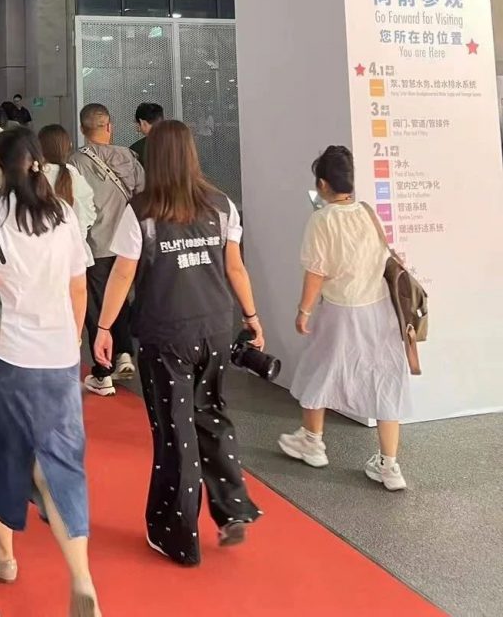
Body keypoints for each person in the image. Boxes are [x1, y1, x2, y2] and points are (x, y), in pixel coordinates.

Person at [94, 120, 263, 565]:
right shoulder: (222, 205)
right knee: (211, 416)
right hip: (215, 328)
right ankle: (233, 507)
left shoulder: (142, 210)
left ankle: (179, 536)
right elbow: (235, 268)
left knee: (176, 432)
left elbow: (124, 273)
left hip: (166, 334)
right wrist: (251, 317)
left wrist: (104, 328)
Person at [0, 127, 100, 617]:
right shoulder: (63, 214)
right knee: (62, 464)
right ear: (39, 163)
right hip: (59, 359)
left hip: (6, 358)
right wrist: (71, 341)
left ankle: (4, 556)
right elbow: (78, 288)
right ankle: (81, 577)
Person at [278, 145, 410, 491]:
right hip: (379, 310)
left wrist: (304, 310)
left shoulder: (322, 219)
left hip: (340, 311)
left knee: (318, 371)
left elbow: (316, 272)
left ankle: (312, 442)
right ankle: (390, 465)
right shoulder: (368, 212)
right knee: (384, 378)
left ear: (322, 184)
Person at [71, 103, 144, 396]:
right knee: (121, 298)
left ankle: (103, 371)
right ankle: (124, 353)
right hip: (129, 244)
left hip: (96, 245)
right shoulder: (128, 157)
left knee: (96, 307)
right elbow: (143, 195)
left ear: (82, 129)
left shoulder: (75, 163)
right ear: (109, 126)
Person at [39, 124, 95, 266]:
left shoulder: (34, 174)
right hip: (73, 252)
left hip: (42, 253)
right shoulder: (73, 174)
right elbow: (89, 213)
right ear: (68, 146)